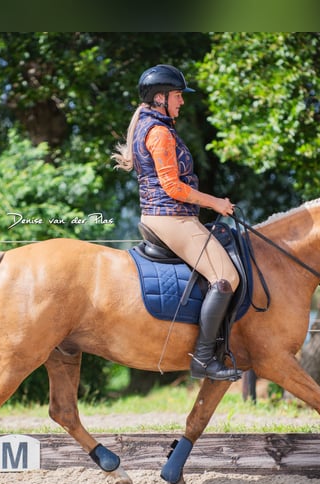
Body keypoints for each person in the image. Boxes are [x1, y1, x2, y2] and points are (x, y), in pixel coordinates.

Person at [112, 64, 242, 382]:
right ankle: (203, 359)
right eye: (178, 96)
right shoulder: (159, 133)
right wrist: (216, 203)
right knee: (226, 277)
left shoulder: (152, 124)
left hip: (165, 215)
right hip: (170, 217)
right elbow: (173, 187)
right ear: (161, 98)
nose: (182, 102)